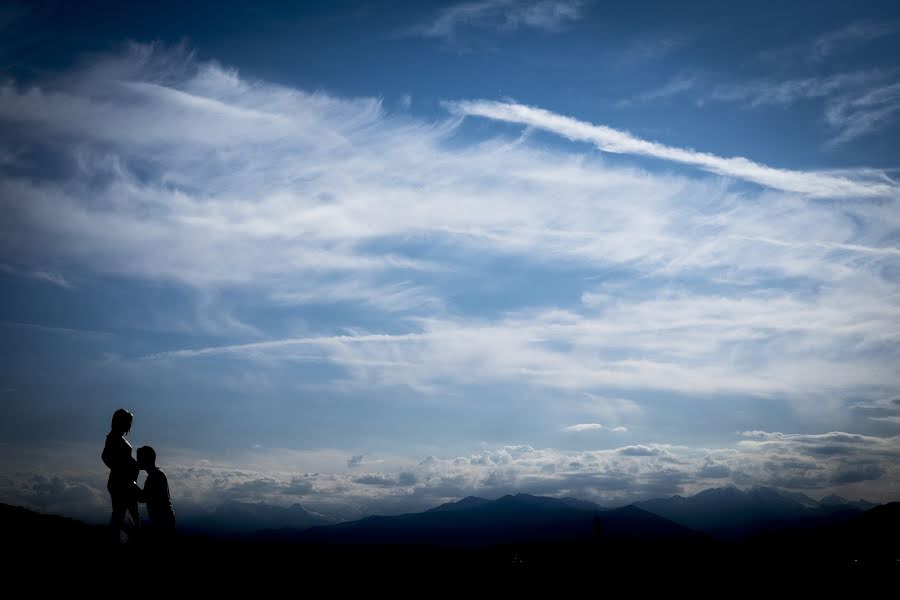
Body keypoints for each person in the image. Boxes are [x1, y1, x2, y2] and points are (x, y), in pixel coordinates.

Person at [101, 408, 141, 541]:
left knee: (125, 516)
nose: (129, 425)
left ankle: (121, 540)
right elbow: (105, 456)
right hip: (121, 483)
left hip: (126, 483)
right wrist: (122, 470)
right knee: (122, 516)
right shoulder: (113, 437)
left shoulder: (118, 437)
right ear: (119, 422)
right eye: (127, 422)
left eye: (130, 422)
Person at [136, 445, 176, 540]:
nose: (137, 461)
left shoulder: (154, 477)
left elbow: (143, 498)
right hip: (165, 519)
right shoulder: (158, 474)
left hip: (162, 521)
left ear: (145, 459)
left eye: (139, 458)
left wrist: (131, 483)